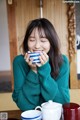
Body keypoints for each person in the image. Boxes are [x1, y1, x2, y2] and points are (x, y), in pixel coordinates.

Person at [12, 18, 70, 111]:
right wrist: (33, 71)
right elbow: (24, 106)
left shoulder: (62, 61)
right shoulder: (19, 62)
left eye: (43, 40)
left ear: (51, 42)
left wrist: (43, 69)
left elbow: (63, 102)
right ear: (27, 42)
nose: (37, 46)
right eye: (32, 40)